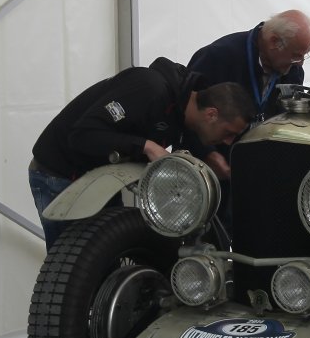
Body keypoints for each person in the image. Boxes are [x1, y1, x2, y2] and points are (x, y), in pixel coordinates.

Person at [29, 60, 255, 250]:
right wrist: (146, 145)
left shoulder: (184, 108)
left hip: (100, 177)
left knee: (108, 258)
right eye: (228, 133)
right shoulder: (149, 90)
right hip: (60, 174)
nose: (228, 142)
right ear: (212, 114)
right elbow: (81, 135)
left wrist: (210, 156)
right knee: (68, 271)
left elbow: (189, 135)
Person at [187, 10, 310, 179]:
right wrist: (207, 154)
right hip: (206, 175)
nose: (300, 63)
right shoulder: (217, 56)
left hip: (258, 173)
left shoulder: (294, 71)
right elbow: (186, 111)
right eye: (296, 56)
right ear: (274, 41)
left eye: (305, 55)